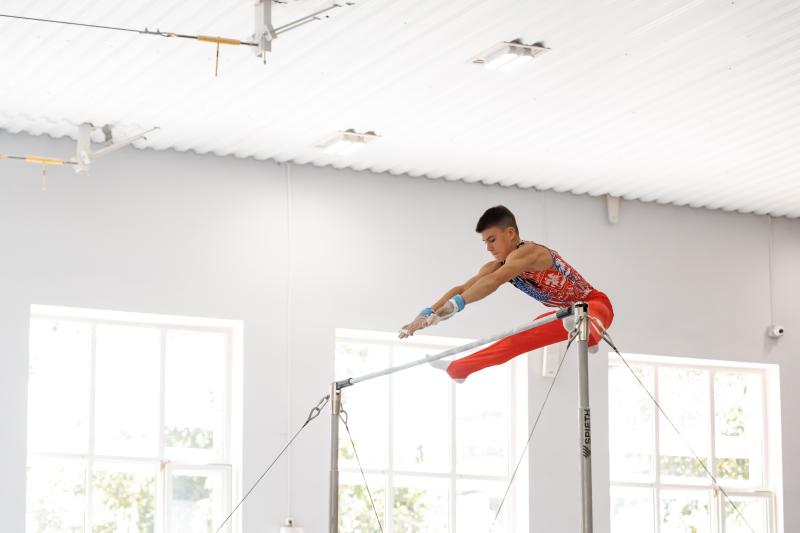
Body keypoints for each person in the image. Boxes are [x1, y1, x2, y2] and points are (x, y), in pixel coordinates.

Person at [399, 205, 613, 382]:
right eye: (485, 242)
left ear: (510, 233)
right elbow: (463, 289)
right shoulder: (497, 265)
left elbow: (494, 282)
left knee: (587, 312)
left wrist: (455, 306)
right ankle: (458, 369)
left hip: (595, 304)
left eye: (492, 240)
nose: (489, 248)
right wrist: (427, 314)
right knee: (515, 340)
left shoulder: (529, 253)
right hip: (566, 314)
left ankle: (591, 335)